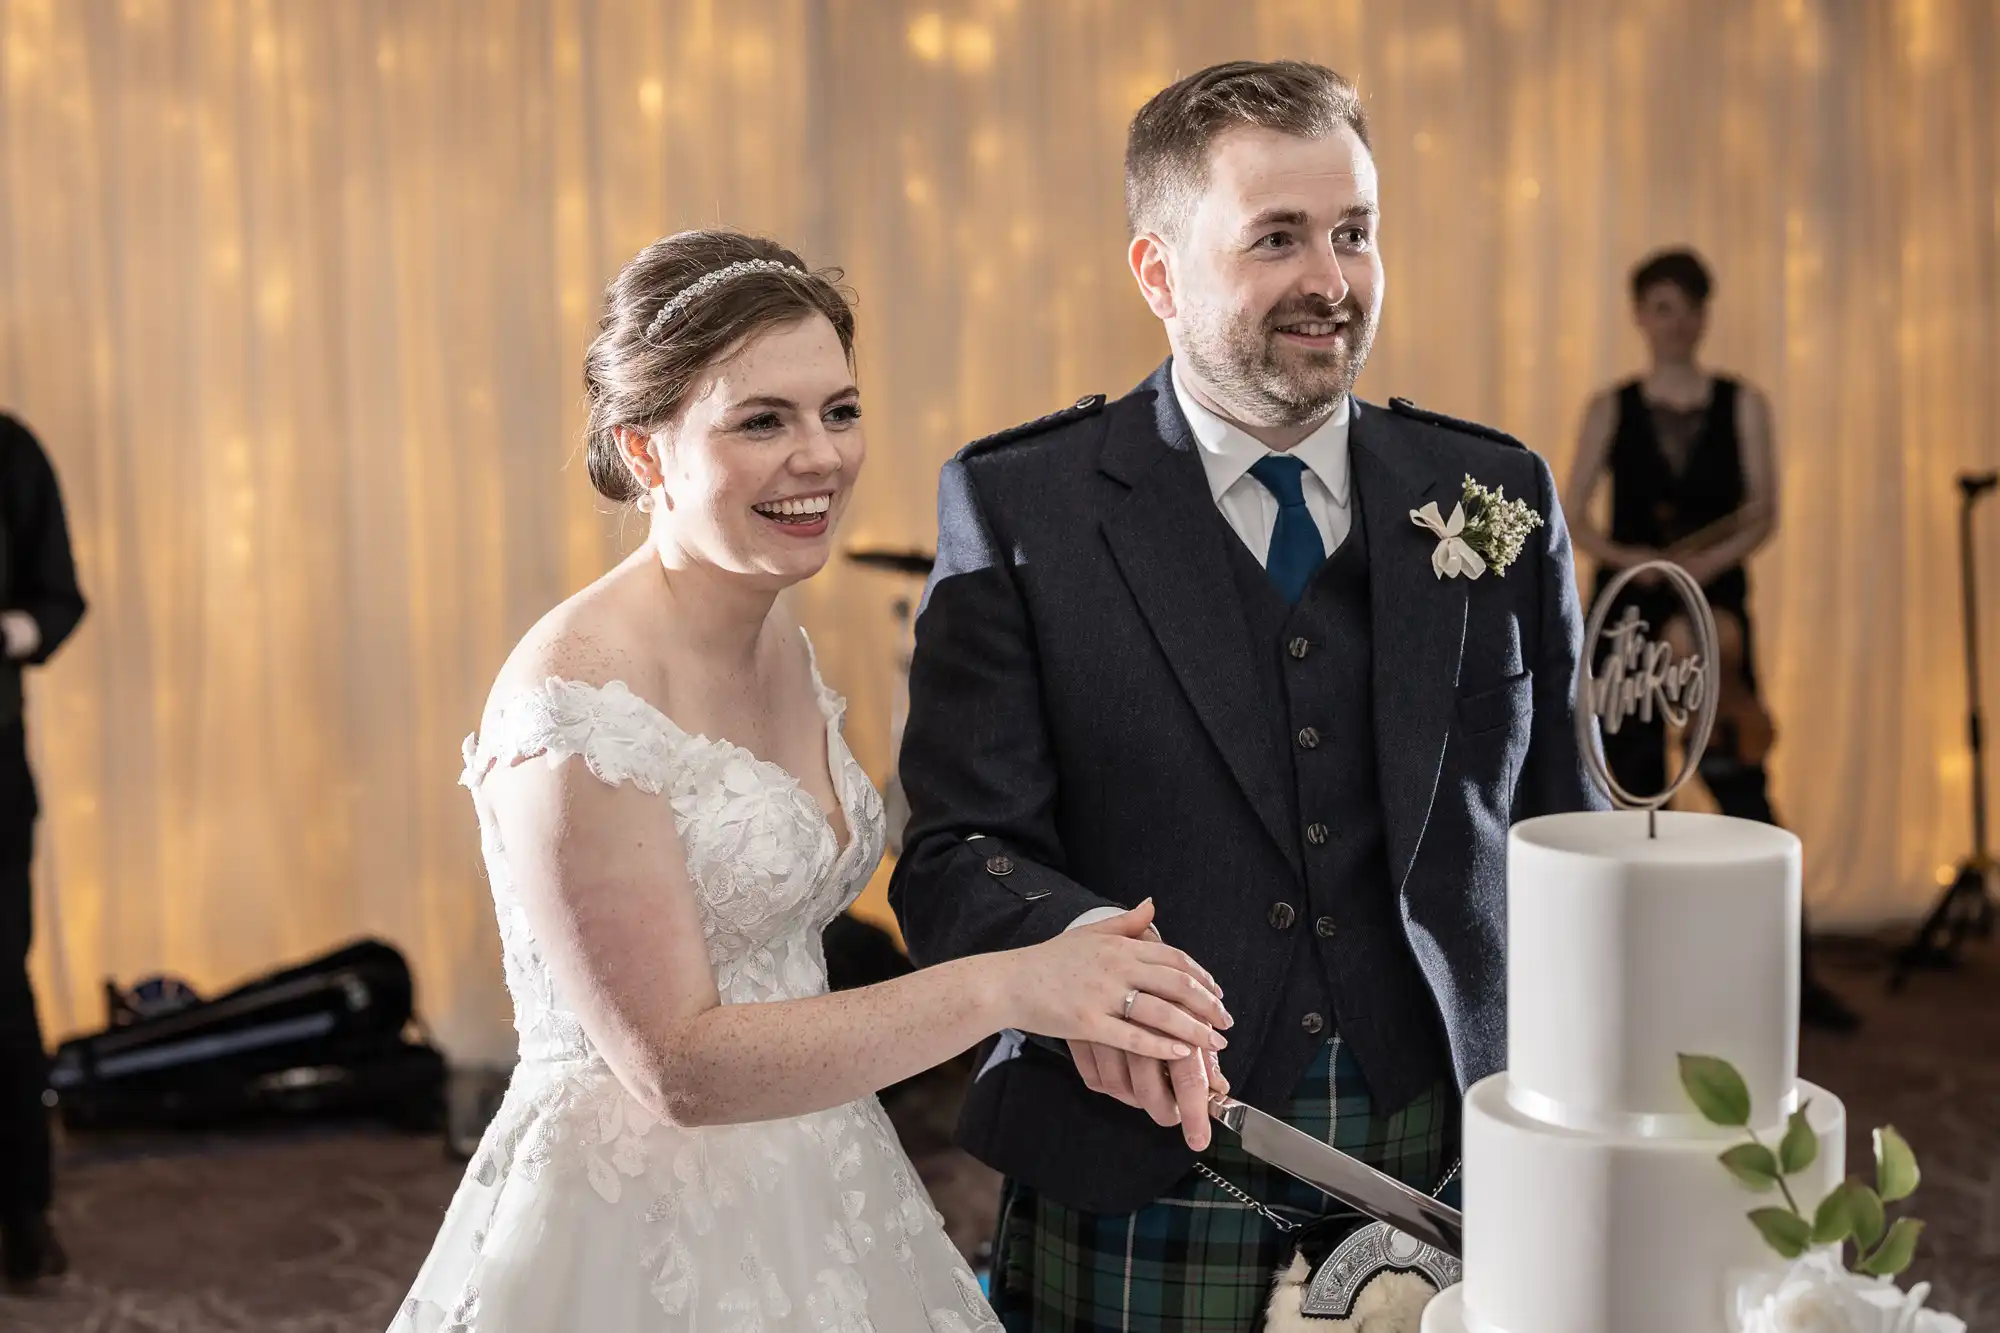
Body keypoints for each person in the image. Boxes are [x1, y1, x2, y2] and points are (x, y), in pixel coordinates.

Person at [389, 230, 1230, 1332]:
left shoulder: (777, 635)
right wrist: (1010, 985)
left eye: (838, 410)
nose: (820, 457)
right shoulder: (573, 703)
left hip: (821, 1167)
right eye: (762, 420)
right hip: (642, 1228)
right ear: (644, 451)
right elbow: (678, 1067)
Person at [890, 60, 1602, 1332]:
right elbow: (955, 855)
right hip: (1140, 1160)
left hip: (1451, 1143)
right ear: (1157, 275)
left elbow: (1571, 836)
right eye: (1275, 238)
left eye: (1352, 233)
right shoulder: (1023, 509)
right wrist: (1074, 956)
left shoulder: (1493, 494)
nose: (1329, 280)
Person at [1564, 248, 1861, 1033]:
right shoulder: (1610, 406)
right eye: (1661, 306)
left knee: (1747, 797)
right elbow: (1576, 513)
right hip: (1629, 614)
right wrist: (1638, 562)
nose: (1676, 322)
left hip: (1714, 610)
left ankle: (1793, 980)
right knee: (1626, 795)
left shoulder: (1744, 403)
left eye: (1689, 307)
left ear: (1704, 317)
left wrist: (1700, 565)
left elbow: (1763, 511)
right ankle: (1625, 986)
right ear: (1640, 316)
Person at [0, 413, 84, 1291]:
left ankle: (24, 1212)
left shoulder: (13, 450)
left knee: (0, 993)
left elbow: (57, 601)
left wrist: (5, 632)